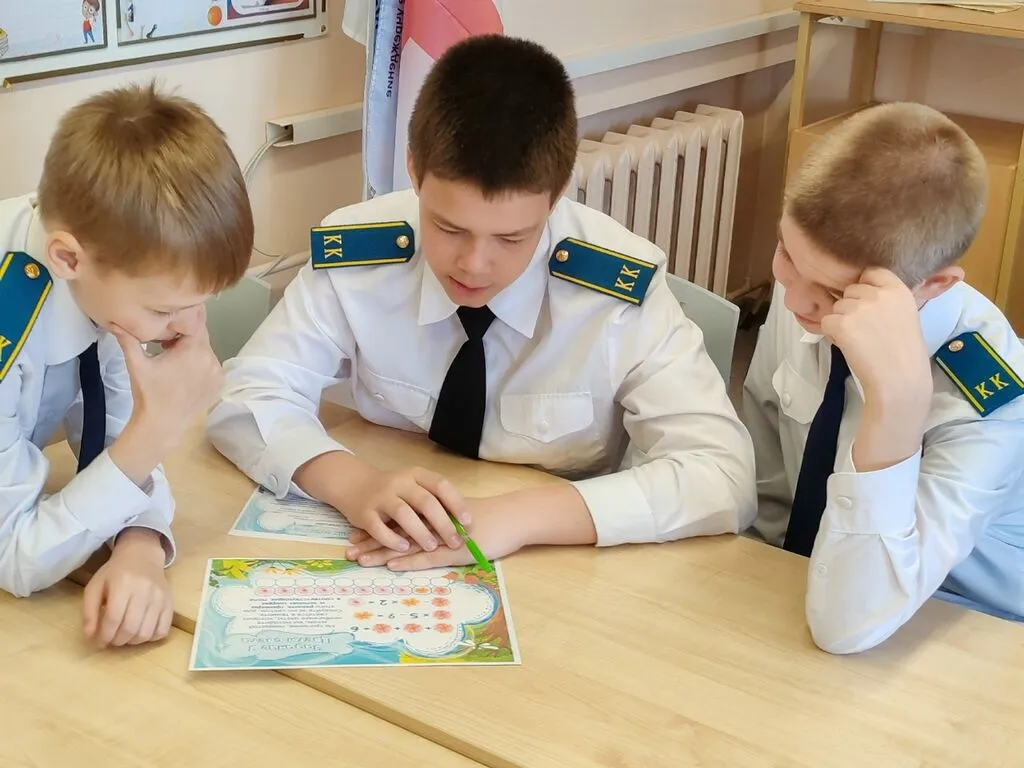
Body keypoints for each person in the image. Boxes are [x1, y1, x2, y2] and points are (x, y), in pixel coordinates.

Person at [206, 34, 756, 572]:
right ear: (414, 170)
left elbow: (722, 474)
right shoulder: (361, 253)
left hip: (560, 560)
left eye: (512, 238)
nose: (473, 264)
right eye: (448, 228)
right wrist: (351, 482)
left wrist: (518, 518)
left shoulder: (613, 292)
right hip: (394, 539)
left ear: (558, 192)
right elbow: (251, 393)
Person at [742, 101, 1024, 654]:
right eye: (785, 253)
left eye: (836, 292)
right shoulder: (808, 282)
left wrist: (895, 409)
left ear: (934, 286)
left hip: (967, 625)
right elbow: (768, 475)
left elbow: (849, 625)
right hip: (815, 589)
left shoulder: (993, 399)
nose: (795, 300)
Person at [0, 83, 253, 647]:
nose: (187, 327)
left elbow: (112, 441)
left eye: (201, 302)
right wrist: (159, 428)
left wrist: (140, 545)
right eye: (165, 310)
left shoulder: (108, 269)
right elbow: (14, 556)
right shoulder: (12, 314)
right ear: (67, 258)